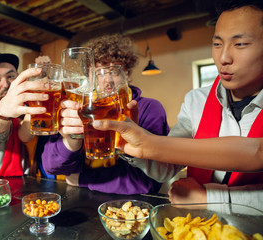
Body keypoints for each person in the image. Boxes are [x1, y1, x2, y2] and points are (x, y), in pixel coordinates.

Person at [92, 0, 263, 210]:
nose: (224, 57)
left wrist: (210, 199)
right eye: (217, 44)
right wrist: (130, 146)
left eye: (240, 44)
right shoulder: (196, 100)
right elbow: (166, 167)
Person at [40, 34, 170, 195]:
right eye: (99, 73)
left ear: (127, 75)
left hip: (132, 208)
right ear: (89, 76)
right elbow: (51, 166)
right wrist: (70, 140)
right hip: (81, 205)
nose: (107, 80)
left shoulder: (148, 108)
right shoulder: (81, 108)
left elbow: (147, 182)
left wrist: (82, 179)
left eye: (114, 71)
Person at [0, 53, 49, 177]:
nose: (6, 84)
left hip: (35, 180)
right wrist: (1, 111)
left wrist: (43, 78)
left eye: (11, 76)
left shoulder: (31, 103)